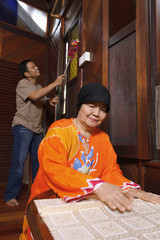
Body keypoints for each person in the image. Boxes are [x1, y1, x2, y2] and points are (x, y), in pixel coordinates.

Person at [20, 82, 160, 240]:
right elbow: (55, 170)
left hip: (87, 200)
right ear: (80, 106)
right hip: (50, 200)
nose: (97, 113)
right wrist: (99, 187)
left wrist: (127, 188)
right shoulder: (59, 131)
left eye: (103, 109)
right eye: (91, 106)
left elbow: (110, 171)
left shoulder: (103, 138)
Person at [4, 59, 66, 207]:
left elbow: (39, 99)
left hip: (37, 129)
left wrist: (48, 101)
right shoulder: (23, 84)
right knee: (19, 163)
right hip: (23, 127)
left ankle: (39, 193)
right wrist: (54, 84)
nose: (37, 67)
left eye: (36, 65)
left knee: (39, 163)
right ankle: (10, 196)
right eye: (33, 67)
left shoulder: (37, 86)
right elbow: (34, 96)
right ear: (26, 73)